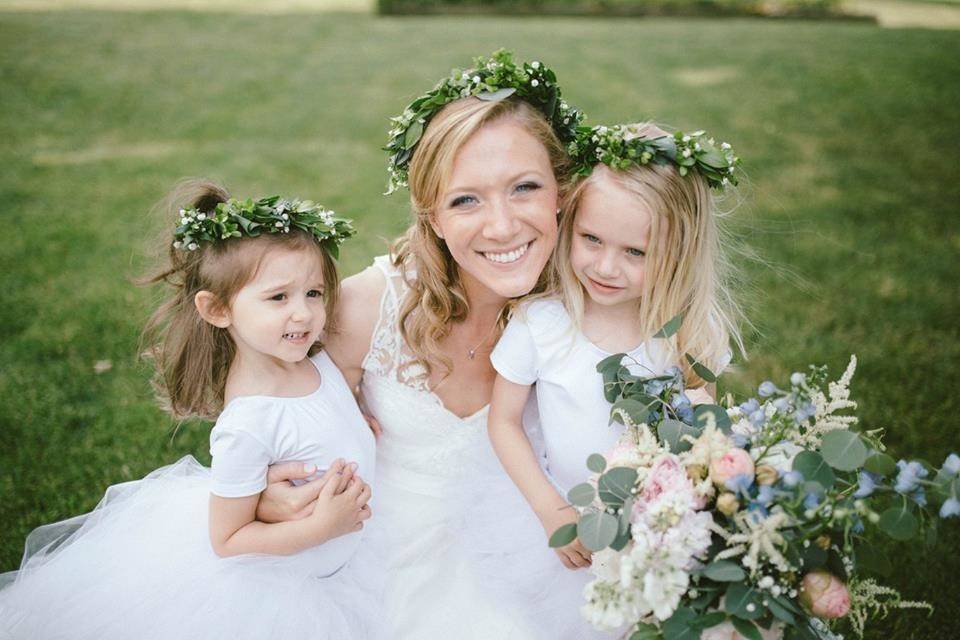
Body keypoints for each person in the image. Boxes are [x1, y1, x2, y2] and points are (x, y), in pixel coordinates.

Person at [255, 51, 602, 638]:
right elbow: (277, 422)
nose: (501, 226)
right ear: (433, 218)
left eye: (525, 188)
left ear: (561, 193)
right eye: (466, 199)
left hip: (541, 546)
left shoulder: (596, 307)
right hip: (379, 556)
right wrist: (270, 494)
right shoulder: (370, 307)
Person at [0, 182, 385, 640]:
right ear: (218, 310)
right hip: (287, 584)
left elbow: (319, 415)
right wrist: (320, 528)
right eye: (278, 298)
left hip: (344, 553)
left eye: (314, 294)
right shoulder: (249, 422)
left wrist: (350, 418)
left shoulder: (314, 359)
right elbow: (229, 541)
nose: (303, 314)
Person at [487, 122, 745, 617]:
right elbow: (504, 421)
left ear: (677, 255)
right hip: (566, 517)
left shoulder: (688, 330)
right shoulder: (543, 323)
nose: (606, 267)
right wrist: (551, 510)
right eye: (592, 239)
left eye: (635, 253)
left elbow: (703, 411)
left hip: (654, 527)